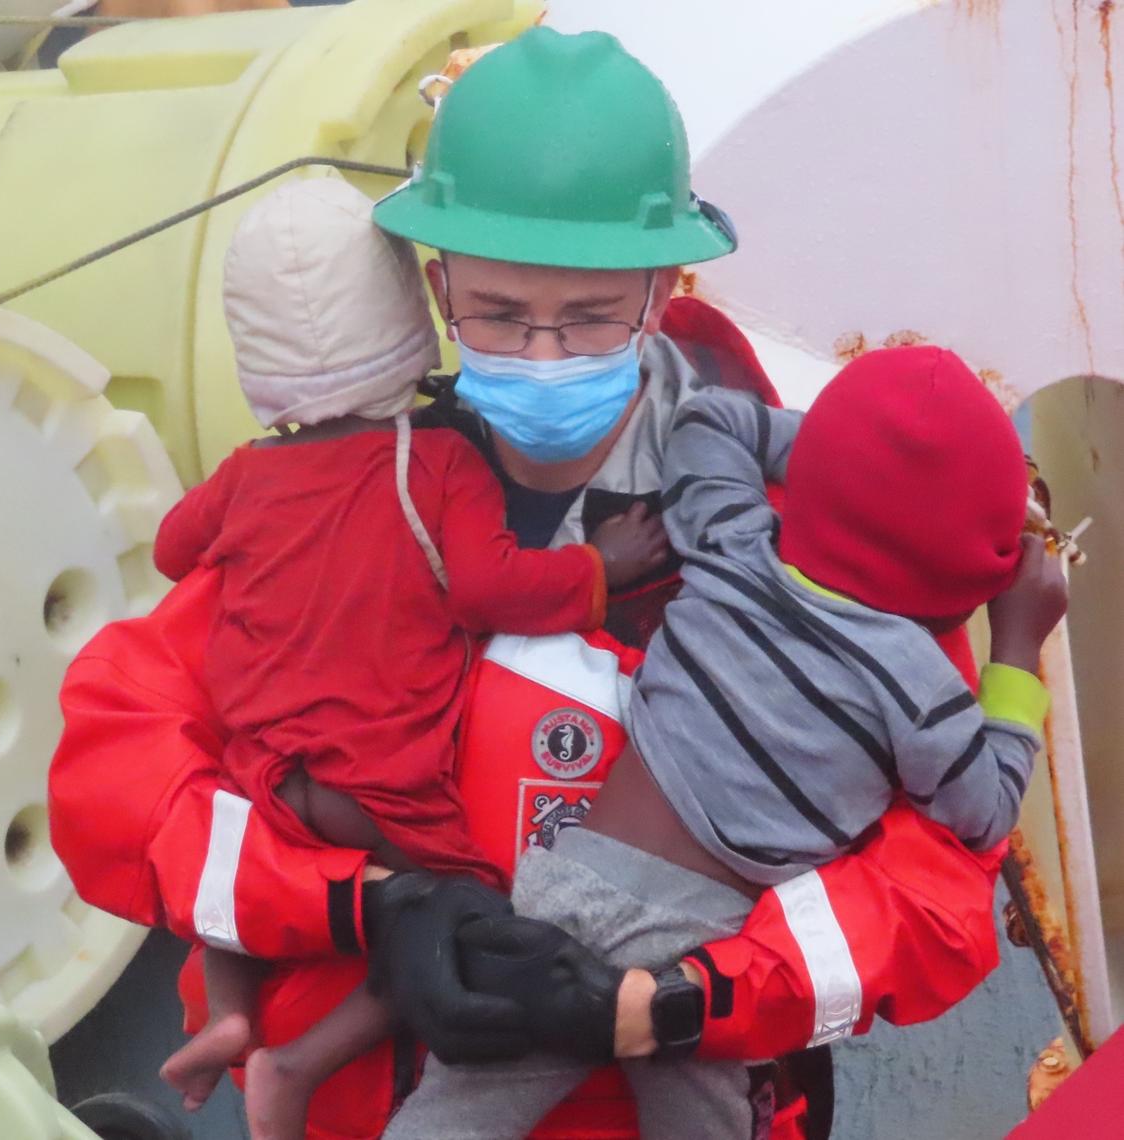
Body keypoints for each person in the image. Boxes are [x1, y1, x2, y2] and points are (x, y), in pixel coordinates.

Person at [49, 27, 1012, 1140]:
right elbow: (118, 761)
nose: (544, 354)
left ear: (662, 289)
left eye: (591, 314)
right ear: (436, 281)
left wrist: (692, 999)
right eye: (500, 316)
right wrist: (363, 905)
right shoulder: (330, 496)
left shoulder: (828, 528)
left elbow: (939, 883)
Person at [381, 346, 1068, 1138]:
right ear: (977, 567)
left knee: (455, 1117)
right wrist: (1017, 651)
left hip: (574, 890)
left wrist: (840, 450)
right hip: (714, 959)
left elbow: (705, 421)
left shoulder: (734, 543)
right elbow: (983, 813)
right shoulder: (920, 689)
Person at [150, 177, 665, 1140]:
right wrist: (601, 569)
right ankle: (297, 1065)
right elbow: (486, 586)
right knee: (458, 910)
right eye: (502, 316)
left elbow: (174, 551)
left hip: (263, 770)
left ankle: (227, 1014)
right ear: (418, 308)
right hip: (373, 780)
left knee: (227, 879)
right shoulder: (434, 465)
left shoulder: (246, 473)